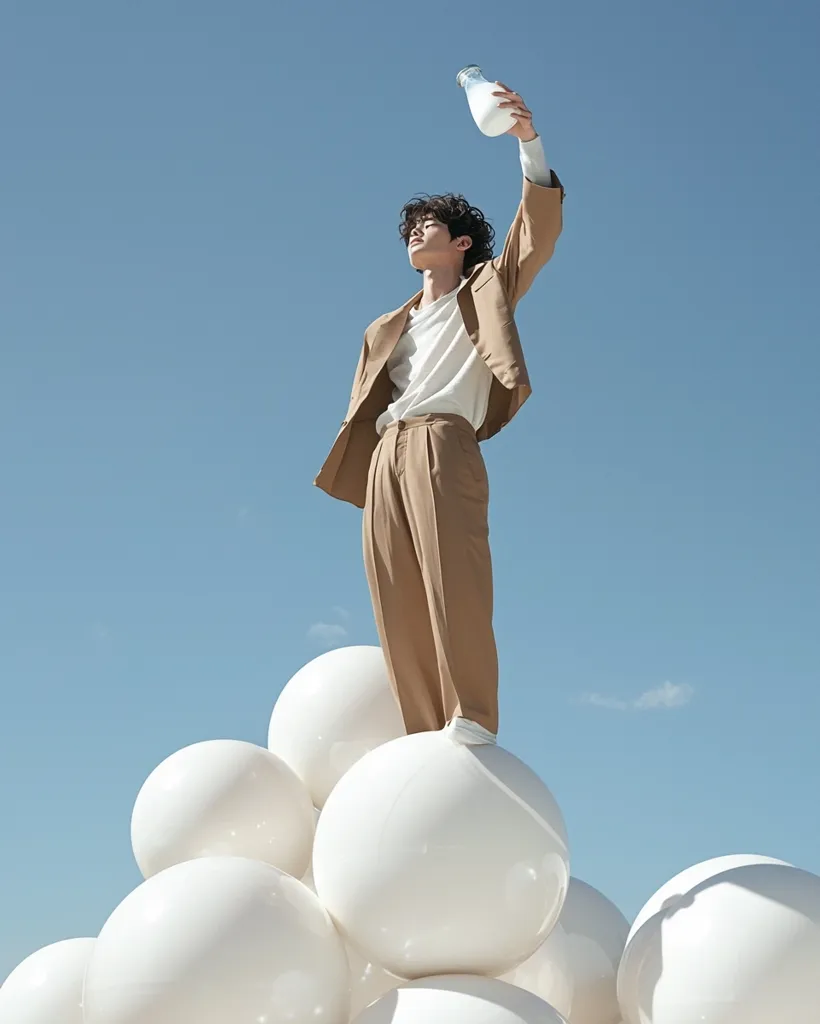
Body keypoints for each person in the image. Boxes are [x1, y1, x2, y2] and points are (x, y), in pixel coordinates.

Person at [315, 83, 564, 745]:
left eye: (427, 226)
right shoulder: (383, 326)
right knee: (394, 596)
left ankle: (473, 715)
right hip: (387, 455)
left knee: (454, 576)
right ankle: (423, 734)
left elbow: (534, 236)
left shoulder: (487, 286)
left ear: (459, 244)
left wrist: (527, 144)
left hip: (442, 441)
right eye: (409, 229)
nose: (413, 233)